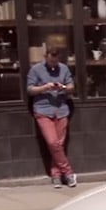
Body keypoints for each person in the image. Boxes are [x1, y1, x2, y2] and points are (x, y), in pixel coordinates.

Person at [26, 47, 77, 188]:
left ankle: (56, 175)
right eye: (51, 61)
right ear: (46, 57)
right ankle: (68, 172)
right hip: (43, 110)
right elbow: (30, 89)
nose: (53, 64)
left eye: (55, 61)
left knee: (59, 145)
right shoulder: (36, 70)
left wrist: (63, 87)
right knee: (53, 142)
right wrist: (44, 87)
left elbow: (72, 87)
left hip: (61, 110)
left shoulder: (64, 69)